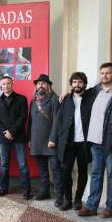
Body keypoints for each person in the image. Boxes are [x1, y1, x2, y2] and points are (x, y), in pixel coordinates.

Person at [79, 62, 112, 217]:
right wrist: (67, 93)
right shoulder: (96, 90)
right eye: (102, 73)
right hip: (95, 142)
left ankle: (111, 207)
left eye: (108, 73)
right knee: (96, 174)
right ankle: (91, 206)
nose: (104, 76)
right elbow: (79, 93)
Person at [0, 76, 32, 199]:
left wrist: (12, 132)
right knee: (4, 164)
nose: (6, 86)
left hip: (19, 137)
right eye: (4, 84)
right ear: (1, 86)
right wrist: (5, 132)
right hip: (3, 138)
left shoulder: (21, 99)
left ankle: (26, 190)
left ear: (12, 84)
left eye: (8, 83)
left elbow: (23, 117)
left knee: (23, 164)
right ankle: (4, 188)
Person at [57, 72, 92, 211]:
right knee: (65, 171)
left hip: (84, 142)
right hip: (68, 142)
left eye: (80, 82)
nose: (77, 85)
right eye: (75, 82)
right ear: (71, 84)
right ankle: (67, 199)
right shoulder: (65, 99)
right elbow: (59, 120)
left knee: (83, 171)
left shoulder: (90, 97)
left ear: (84, 84)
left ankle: (78, 199)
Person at [28, 74, 63, 207]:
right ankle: (44, 191)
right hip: (37, 141)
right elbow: (30, 122)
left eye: (43, 83)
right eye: (38, 83)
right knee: (42, 169)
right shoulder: (33, 101)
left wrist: (53, 139)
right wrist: (30, 139)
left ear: (48, 85)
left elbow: (57, 121)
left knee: (55, 169)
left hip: (50, 141)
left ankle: (59, 195)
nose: (40, 85)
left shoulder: (54, 99)